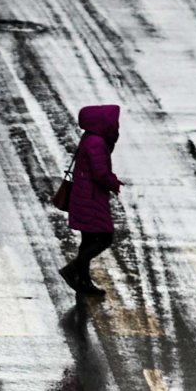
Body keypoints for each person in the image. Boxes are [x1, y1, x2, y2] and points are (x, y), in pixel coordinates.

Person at [59, 104, 122, 297]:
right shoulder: (96, 142)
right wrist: (114, 183)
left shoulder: (90, 138)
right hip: (92, 197)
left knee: (87, 241)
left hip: (85, 194)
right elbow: (100, 173)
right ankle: (73, 269)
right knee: (104, 238)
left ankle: (83, 281)